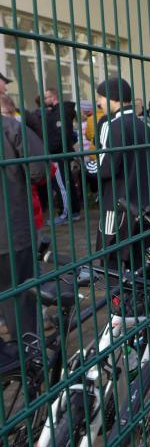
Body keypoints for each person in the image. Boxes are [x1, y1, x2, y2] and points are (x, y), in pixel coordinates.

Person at [86, 78, 150, 273]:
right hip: (145, 204)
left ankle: (115, 292)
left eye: (101, 97)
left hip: (118, 205)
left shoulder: (112, 125)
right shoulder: (146, 127)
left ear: (113, 97)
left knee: (110, 258)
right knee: (139, 258)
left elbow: (104, 169)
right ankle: (140, 292)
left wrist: (88, 166)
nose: (99, 103)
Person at [0, 93, 47, 366]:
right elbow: (40, 170)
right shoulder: (12, 128)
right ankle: (31, 359)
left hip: (12, 232)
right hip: (12, 232)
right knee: (20, 299)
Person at [43, 87, 81, 224]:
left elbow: (60, 135)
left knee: (62, 185)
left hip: (57, 154)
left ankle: (67, 214)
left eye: (46, 97)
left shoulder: (59, 112)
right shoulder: (58, 112)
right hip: (60, 152)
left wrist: (49, 150)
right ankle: (73, 212)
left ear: (53, 97)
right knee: (66, 183)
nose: (44, 100)